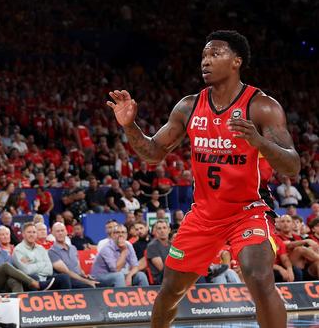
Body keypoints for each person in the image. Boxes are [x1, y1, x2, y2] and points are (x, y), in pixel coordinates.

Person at [107, 30, 300, 328]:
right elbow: (153, 153)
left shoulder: (262, 106)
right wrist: (130, 126)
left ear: (237, 61)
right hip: (203, 216)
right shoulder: (188, 106)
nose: (205, 62)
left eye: (215, 54)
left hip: (247, 212)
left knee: (259, 276)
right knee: (171, 289)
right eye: (204, 56)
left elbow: (293, 166)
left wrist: (259, 143)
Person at [0, 228, 41, 292]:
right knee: (5, 266)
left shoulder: (5, 253)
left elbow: (11, 270)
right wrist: (1, 269)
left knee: (14, 280)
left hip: (4, 281)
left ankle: (19, 301)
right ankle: (34, 283)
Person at [12, 223, 70, 290]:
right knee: (32, 277)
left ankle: (66, 299)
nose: (31, 234)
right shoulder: (18, 250)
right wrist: (42, 264)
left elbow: (49, 270)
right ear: (23, 234)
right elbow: (27, 270)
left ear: (36, 234)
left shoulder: (41, 248)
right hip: (30, 281)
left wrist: (32, 264)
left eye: (34, 232)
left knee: (64, 277)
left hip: (46, 280)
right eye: (29, 232)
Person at [48, 223, 98, 288]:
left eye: (62, 230)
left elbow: (78, 268)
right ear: (53, 233)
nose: (60, 233)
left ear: (66, 232)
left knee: (99, 284)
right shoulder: (52, 251)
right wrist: (86, 281)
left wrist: (85, 276)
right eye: (57, 231)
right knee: (89, 286)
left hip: (80, 278)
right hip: (69, 281)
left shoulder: (73, 248)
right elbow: (67, 272)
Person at [146, 220, 172, 285]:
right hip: (161, 279)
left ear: (169, 230)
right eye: (159, 228)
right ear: (155, 231)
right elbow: (162, 268)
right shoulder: (152, 246)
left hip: (174, 275)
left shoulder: (173, 245)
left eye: (164, 228)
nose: (162, 231)